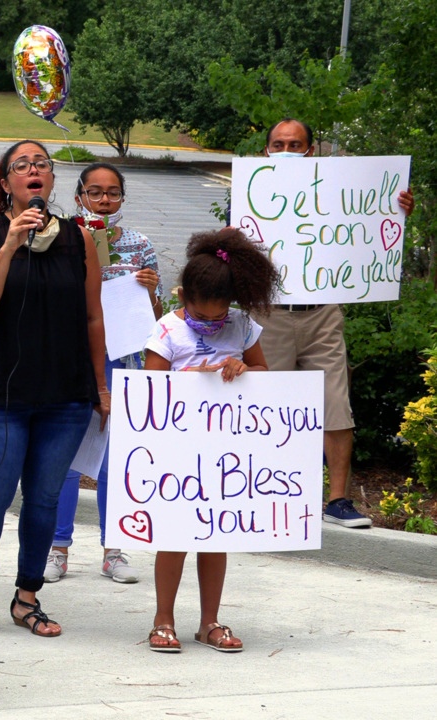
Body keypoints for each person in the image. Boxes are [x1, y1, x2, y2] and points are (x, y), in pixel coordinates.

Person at [0, 141, 109, 640]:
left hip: (62, 394)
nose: (33, 171)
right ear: (5, 183)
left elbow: (92, 315)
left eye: (41, 164)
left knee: (43, 501)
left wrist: (101, 386)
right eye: (21, 166)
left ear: (50, 180)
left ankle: (27, 597)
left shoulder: (78, 239)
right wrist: (9, 246)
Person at [254, 119, 414, 528]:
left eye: (296, 144)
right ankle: (259, 494)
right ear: (266, 149)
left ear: (311, 151)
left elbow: (368, 229)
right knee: (263, 407)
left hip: (322, 312)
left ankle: (337, 501)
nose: (287, 150)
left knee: (335, 407)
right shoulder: (251, 192)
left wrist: (395, 210)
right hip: (269, 314)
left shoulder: (337, 191)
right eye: (278, 144)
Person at [142, 228, 280, 653]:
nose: (211, 324)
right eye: (202, 317)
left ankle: (209, 621)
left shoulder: (242, 326)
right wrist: (185, 380)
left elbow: (264, 375)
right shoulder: (167, 330)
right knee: (175, 535)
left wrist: (243, 368)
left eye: (218, 318)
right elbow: (148, 389)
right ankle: (163, 618)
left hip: (225, 453)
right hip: (177, 453)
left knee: (216, 533)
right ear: (182, 297)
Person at [45, 163, 164, 585]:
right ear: (79, 196)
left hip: (123, 363)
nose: (104, 200)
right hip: (72, 360)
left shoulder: (139, 244)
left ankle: (113, 548)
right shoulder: (59, 236)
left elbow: (157, 318)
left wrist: (149, 289)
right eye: (95, 192)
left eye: (112, 193)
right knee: (68, 457)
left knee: (115, 458)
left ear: (122, 199)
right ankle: (57, 548)